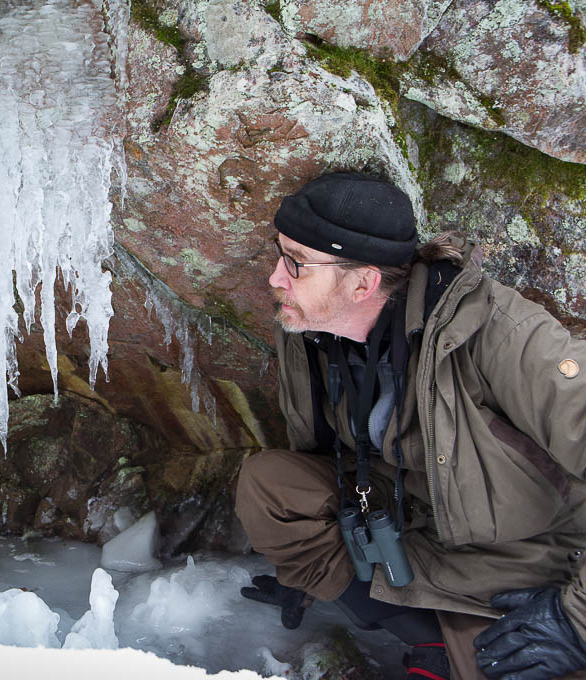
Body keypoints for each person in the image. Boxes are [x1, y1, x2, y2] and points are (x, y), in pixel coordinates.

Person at [234, 171, 586, 680]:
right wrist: (305, 572)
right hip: (413, 520)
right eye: (280, 254)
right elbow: (319, 454)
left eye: (296, 264)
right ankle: (424, 634)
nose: (274, 277)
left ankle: (466, 643)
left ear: (364, 283)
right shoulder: (311, 329)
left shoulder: (501, 336)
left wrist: (574, 621)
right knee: (271, 489)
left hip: (521, 558)